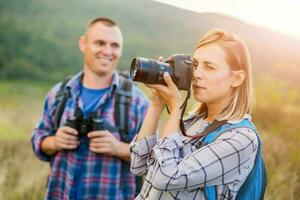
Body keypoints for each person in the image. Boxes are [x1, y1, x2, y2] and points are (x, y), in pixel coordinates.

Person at [130, 29, 266, 199]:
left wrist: (175, 108)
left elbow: (166, 177)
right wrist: (156, 104)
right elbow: (139, 165)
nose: (196, 75)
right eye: (195, 65)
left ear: (236, 78)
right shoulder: (191, 123)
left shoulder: (240, 139)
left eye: (209, 67)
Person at [31, 17, 149, 200]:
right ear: (83, 43)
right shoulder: (58, 94)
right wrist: (54, 142)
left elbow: (152, 160)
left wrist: (117, 148)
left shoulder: (137, 102)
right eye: (100, 43)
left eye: (115, 45)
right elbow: (38, 139)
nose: (108, 51)